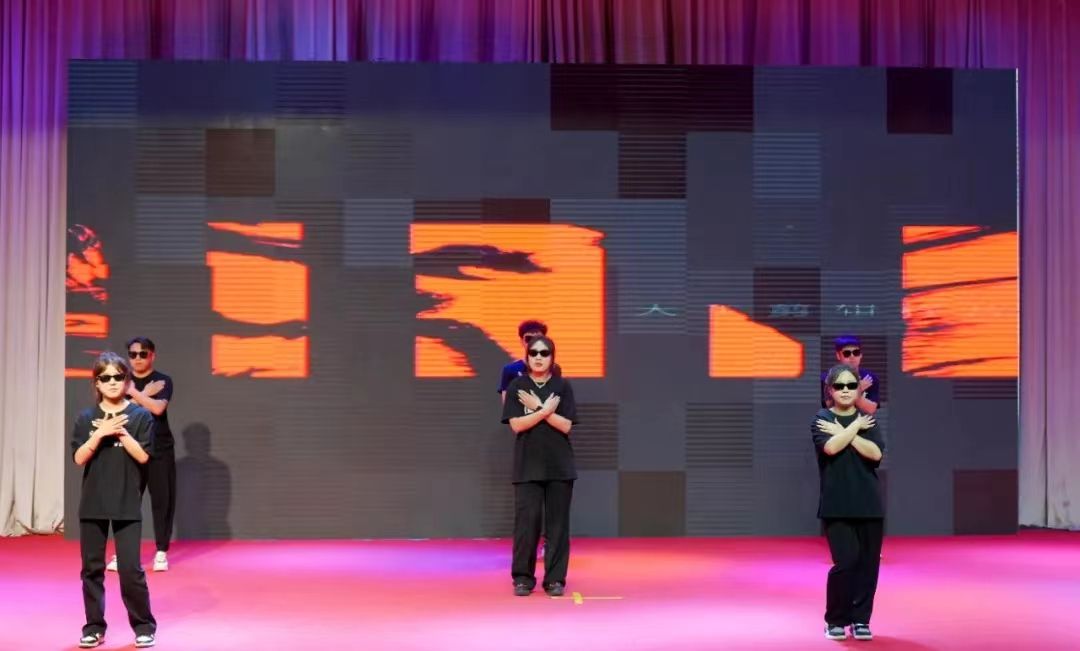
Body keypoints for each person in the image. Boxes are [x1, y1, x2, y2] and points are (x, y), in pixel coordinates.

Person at [71, 352, 157, 648]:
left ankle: (143, 625)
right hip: (92, 502)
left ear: (126, 380)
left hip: (126, 502)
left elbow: (143, 456)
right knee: (91, 569)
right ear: (97, 382)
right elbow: (78, 458)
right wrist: (99, 434)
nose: (111, 382)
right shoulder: (86, 418)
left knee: (131, 570)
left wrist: (120, 432)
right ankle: (94, 627)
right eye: (105, 377)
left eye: (118, 377)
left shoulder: (141, 416)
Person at [813, 364, 886, 641]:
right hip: (837, 505)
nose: (845, 390)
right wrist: (855, 426)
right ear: (830, 390)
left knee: (868, 565)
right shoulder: (822, 419)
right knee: (846, 562)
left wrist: (847, 430)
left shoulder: (869, 421)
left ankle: (860, 619)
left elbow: (875, 454)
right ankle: (835, 619)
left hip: (869, 504)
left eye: (851, 385)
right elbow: (831, 447)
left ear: (858, 389)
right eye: (839, 386)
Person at [500, 335, 577, 597]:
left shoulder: (562, 386)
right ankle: (523, 578)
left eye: (544, 353)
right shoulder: (517, 386)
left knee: (558, 526)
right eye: (534, 353)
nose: (539, 357)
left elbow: (566, 425)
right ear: (527, 356)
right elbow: (516, 425)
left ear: (552, 357)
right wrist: (544, 411)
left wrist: (538, 409)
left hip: (559, 465)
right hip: (527, 466)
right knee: (527, 524)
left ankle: (555, 579)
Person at [105, 337, 175, 573]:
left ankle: (161, 552)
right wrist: (144, 393)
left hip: (160, 449)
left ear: (152, 355)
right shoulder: (118, 380)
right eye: (133, 354)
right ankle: (123, 552)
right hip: (130, 448)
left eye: (143, 354)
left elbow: (157, 408)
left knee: (162, 501)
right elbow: (120, 413)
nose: (137, 358)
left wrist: (133, 392)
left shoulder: (163, 380)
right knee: (127, 501)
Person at [498, 319, 560, 403]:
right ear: (522, 341)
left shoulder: (553, 368)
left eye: (537, 339)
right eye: (528, 339)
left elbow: (556, 399)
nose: (532, 343)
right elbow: (507, 403)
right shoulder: (510, 369)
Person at [820, 336, 880, 414]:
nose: (852, 357)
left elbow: (871, 410)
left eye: (856, 352)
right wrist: (857, 390)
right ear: (838, 355)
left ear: (861, 355)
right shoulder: (826, 378)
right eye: (847, 353)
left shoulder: (870, 378)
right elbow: (827, 407)